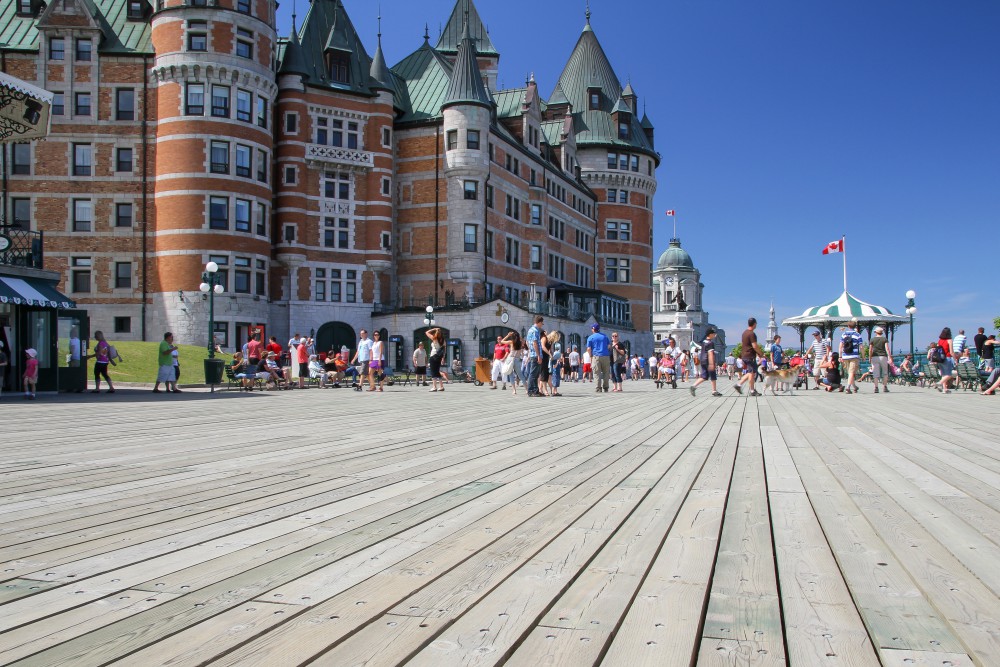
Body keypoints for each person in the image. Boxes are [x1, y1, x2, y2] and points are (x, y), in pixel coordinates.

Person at [735, 317, 763, 396]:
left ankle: (739, 385)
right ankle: (752, 390)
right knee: (751, 373)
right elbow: (754, 346)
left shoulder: (744, 333)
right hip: (750, 355)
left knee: (752, 372)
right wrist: (761, 354)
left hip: (744, 354)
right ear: (754, 324)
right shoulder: (751, 333)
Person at [690, 329, 721, 396]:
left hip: (702, 360)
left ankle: (693, 386)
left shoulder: (704, 342)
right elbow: (710, 353)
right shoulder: (710, 343)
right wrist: (711, 363)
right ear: (710, 334)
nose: (715, 335)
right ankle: (714, 391)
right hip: (708, 360)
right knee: (713, 375)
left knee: (704, 376)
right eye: (713, 333)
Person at [839, 319, 863, 394]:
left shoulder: (844, 334)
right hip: (854, 356)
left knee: (850, 372)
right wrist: (863, 355)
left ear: (848, 326)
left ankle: (854, 387)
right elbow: (861, 347)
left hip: (845, 355)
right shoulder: (858, 335)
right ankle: (848, 388)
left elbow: (840, 346)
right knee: (851, 373)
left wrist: (840, 356)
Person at [587, 323, 612, 393]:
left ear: (593, 329)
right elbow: (609, 346)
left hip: (596, 356)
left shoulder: (591, 337)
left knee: (596, 373)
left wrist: (590, 356)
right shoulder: (605, 336)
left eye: (591, 328)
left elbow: (589, 348)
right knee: (606, 372)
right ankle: (606, 387)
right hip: (606, 356)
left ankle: (598, 388)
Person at [867, 326, 890, 393]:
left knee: (875, 373)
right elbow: (887, 348)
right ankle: (885, 387)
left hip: (874, 357)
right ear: (882, 333)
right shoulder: (884, 339)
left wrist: (869, 357)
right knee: (885, 372)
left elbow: (870, 349)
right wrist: (889, 356)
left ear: (876, 332)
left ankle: (876, 387)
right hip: (883, 356)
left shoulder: (872, 339)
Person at [525, 315, 544, 397]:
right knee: (533, 374)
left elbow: (526, 342)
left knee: (535, 374)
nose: (542, 325)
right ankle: (530, 391)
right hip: (536, 355)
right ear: (539, 322)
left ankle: (535, 390)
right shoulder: (535, 331)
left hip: (533, 354)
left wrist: (530, 350)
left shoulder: (530, 330)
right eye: (542, 323)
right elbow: (535, 343)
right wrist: (538, 355)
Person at [934, 327, 956, 393]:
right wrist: (955, 359)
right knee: (949, 374)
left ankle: (945, 389)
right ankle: (939, 383)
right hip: (947, 358)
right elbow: (951, 352)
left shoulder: (939, 341)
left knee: (944, 374)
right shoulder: (949, 340)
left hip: (940, 359)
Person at [426, 327, 446, 392]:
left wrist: (434, 329)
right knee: (437, 371)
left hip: (433, 356)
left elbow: (426, 332)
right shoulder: (443, 340)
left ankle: (434, 387)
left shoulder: (434, 339)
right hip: (439, 357)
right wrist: (443, 358)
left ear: (436, 333)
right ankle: (441, 386)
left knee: (433, 371)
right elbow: (444, 351)